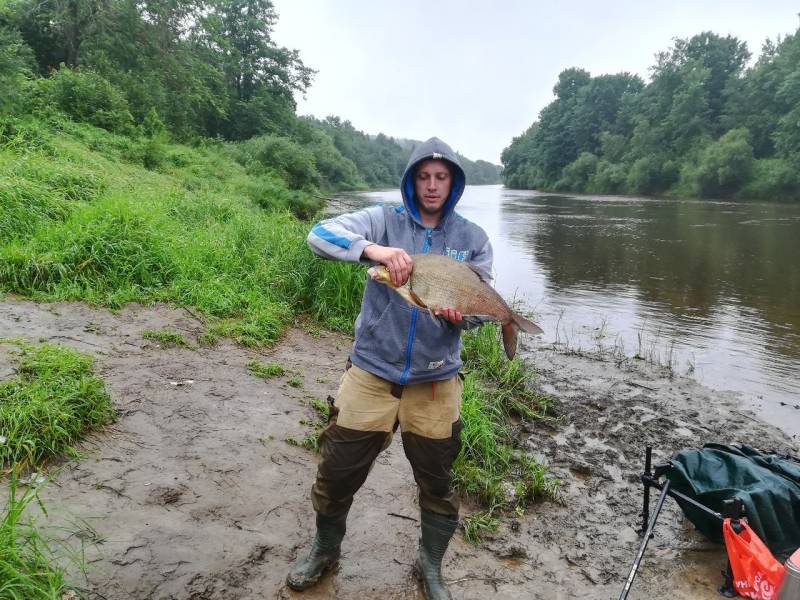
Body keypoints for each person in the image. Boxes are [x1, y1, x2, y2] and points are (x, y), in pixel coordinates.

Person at [287, 137, 493, 600]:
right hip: (371, 371)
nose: (433, 185)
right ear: (411, 179)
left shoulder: (473, 239)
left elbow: (481, 306)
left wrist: (467, 315)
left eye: (442, 177)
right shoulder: (382, 220)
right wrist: (374, 251)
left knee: (438, 483)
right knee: (338, 470)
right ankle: (325, 548)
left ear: (454, 183)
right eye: (424, 176)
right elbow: (319, 235)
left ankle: (431, 564)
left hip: (437, 380)